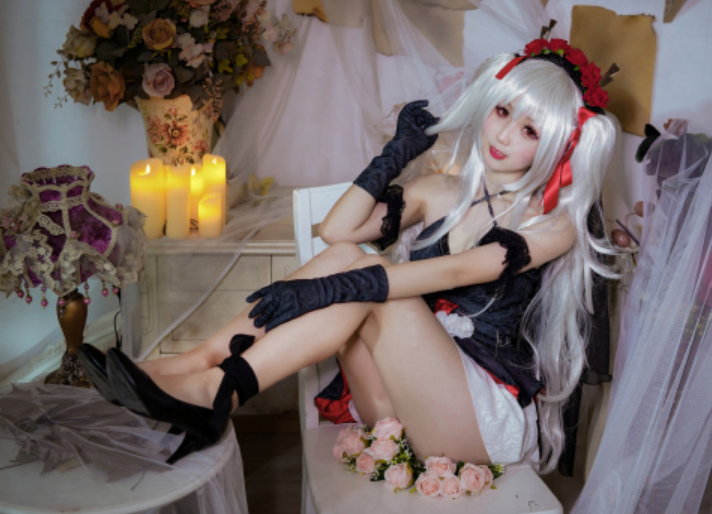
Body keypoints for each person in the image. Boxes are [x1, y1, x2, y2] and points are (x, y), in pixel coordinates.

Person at [80, 36, 619, 473]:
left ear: (558, 146)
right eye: (501, 111)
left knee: (371, 274)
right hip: (394, 402)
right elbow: (337, 232)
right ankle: (197, 365)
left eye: (529, 130)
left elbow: (461, 268)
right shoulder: (441, 189)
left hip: (475, 421)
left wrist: (328, 290)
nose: (502, 134)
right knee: (352, 256)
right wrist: (395, 154)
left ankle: (217, 390)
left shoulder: (553, 223)